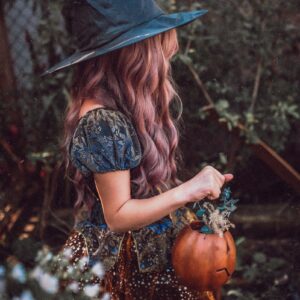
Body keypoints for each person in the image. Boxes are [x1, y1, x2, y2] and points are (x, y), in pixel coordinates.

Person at [43, 1, 234, 299]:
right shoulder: (102, 122)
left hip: (147, 248)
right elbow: (118, 216)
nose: (166, 63)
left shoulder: (117, 108)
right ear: (136, 55)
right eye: (162, 53)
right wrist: (189, 190)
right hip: (122, 268)